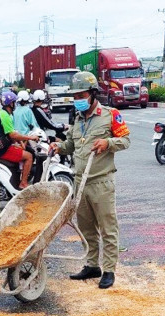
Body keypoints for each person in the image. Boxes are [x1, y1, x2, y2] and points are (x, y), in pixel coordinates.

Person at [50, 71, 130, 289]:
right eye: (75, 96)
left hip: (101, 182)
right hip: (80, 182)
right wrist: (58, 146)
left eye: (81, 95)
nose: (78, 100)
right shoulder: (77, 118)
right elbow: (70, 146)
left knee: (108, 228)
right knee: (86, 228)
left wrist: (108, 143)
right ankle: (92, 265)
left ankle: (109, 269)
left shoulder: (110, 114)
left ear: (93, 93)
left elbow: (125, 140)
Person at [0, 91, 39, 189]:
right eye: (14, 102)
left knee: (23, 149)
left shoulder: (3, 114)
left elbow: (11, 132)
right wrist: (30, 137)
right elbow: (13, 135)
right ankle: (23, 183)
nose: (15, 104)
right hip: (1, 149)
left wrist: (20, 141)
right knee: (29, 156)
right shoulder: (5, 116)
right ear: (10, 103)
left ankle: (19, 177)